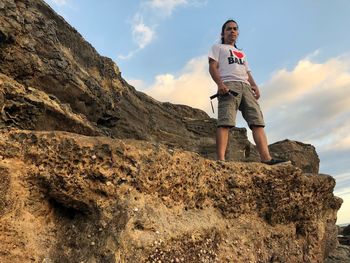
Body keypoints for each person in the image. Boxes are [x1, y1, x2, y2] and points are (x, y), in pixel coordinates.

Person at [208, 19, 286, 165]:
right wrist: (220, 84)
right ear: (223, 33)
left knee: (257, 122)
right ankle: (221, 160)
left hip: (246, 86)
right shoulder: (217, 47)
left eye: (235, 29)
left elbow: (247, 71)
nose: (232, 31)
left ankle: (266, 158)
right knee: (225, 121)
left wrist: (255, 85)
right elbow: (212, 67)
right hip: (229, 85)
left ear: (238, 33)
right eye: (229, 29)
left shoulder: (241, 53)